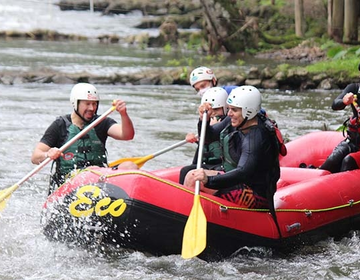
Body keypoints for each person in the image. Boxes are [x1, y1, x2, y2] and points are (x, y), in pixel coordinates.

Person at [184, 85, 283, 209]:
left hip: (256, 195)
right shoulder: (237, 120)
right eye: (229, 109)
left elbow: (242, 172)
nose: (229, 114)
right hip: (238, 182)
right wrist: (204, 119)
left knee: (196, 180)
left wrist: (209, 181)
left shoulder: (256, 137)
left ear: (249, 111)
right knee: (191, 176)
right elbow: (208, 138)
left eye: (234, 110)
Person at [31, 83, 137, 194]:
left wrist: (123, 114)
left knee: (130, 166)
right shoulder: (60, 125)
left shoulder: (101, 122)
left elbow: (127, 135)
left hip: (99, 177)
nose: (91, 108)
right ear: (75, 103)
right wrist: (47, 154)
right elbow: (35, 157)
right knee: (92, 172)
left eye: (94, 104)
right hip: (70, 184)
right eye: (87, 104)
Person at [179, 87, 228, 184]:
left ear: (225, 108)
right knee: (185, 170)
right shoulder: (205, 122)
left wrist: (216, 127)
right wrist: (195, 139)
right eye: (210, 110)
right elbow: (205, 143)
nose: (213, 113)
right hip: (208, 164)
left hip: (222, 166)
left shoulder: (229, 124)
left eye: (217, 110)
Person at [320, 71, 360, 173]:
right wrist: (344, 101)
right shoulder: (354, 88)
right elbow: (335, 104)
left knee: (348, 161)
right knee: (332, 160)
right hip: (353, 142)